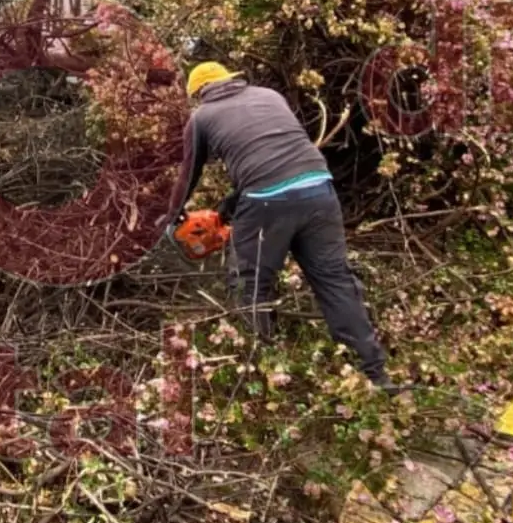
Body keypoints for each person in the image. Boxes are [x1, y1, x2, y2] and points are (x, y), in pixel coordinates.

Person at [171, 62, 400, 395]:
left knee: (249, 284)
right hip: (319, 189)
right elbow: (275, 158)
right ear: (228, 80)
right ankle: (375, 375)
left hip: (267, 200)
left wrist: (170, 215)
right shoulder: (269, 95)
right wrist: (227, 208)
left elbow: (187, 176)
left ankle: (261, 374)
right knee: (335, 280)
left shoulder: (201, 118)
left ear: (199, 94)